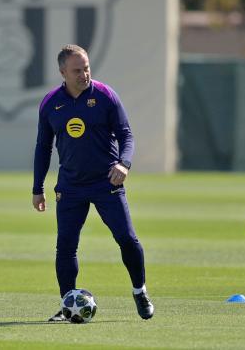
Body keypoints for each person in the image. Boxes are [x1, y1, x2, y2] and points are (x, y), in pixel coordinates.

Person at [32, 44, 154, 322]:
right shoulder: (51, 104)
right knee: (65, 247)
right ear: (63, 72)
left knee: (127, 238)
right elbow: (43, 148)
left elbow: (126, 135)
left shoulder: (106, 96)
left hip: (106, 182)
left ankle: (140, 290)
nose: (84, 74)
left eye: (86, 68)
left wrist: (124, 163)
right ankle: (67, 303)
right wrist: (37, 188)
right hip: (71, 187)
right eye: (77, 70)